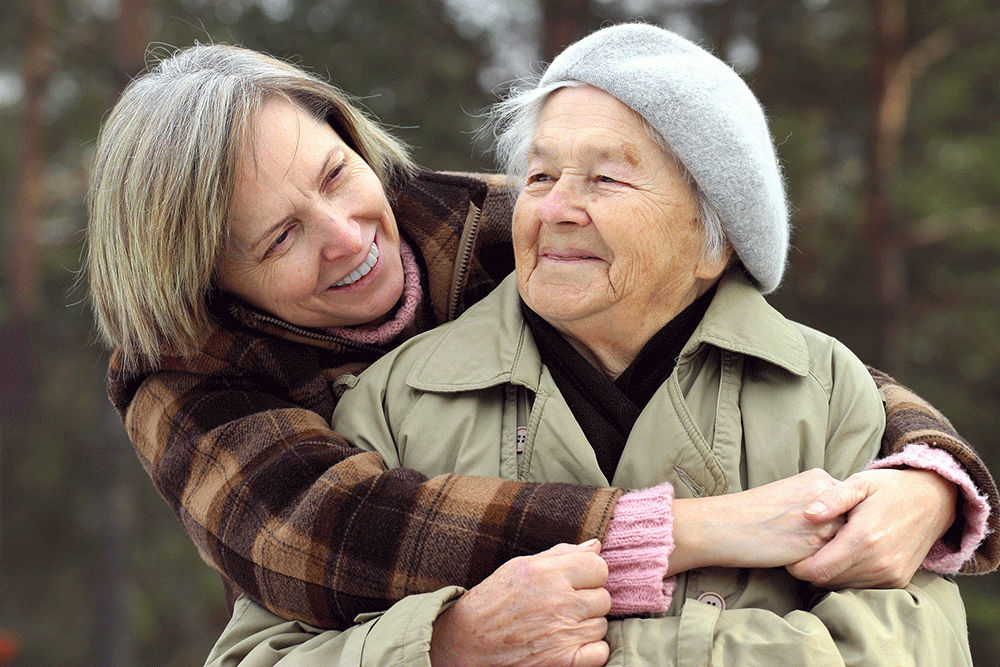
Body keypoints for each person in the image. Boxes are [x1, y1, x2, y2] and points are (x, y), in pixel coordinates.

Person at [84, 39, 995, 651]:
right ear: (213, 284)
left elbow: (773, 351)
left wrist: (925, 468)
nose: (349, 234)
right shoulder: (190, 372)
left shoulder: (487, 221)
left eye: (336, 173)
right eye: (278, 238)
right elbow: (323, 533)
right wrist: (449, 644)